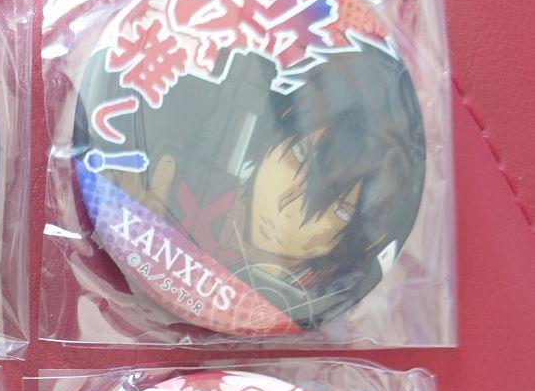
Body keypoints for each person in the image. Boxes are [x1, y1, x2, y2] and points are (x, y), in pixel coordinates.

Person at [77, 39, 425, 325]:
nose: (289, 205)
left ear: (367, 234)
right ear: (275, 132)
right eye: (299, 155)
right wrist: (141, 230)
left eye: (340, 209)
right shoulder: (185, 196)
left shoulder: (310, 296)